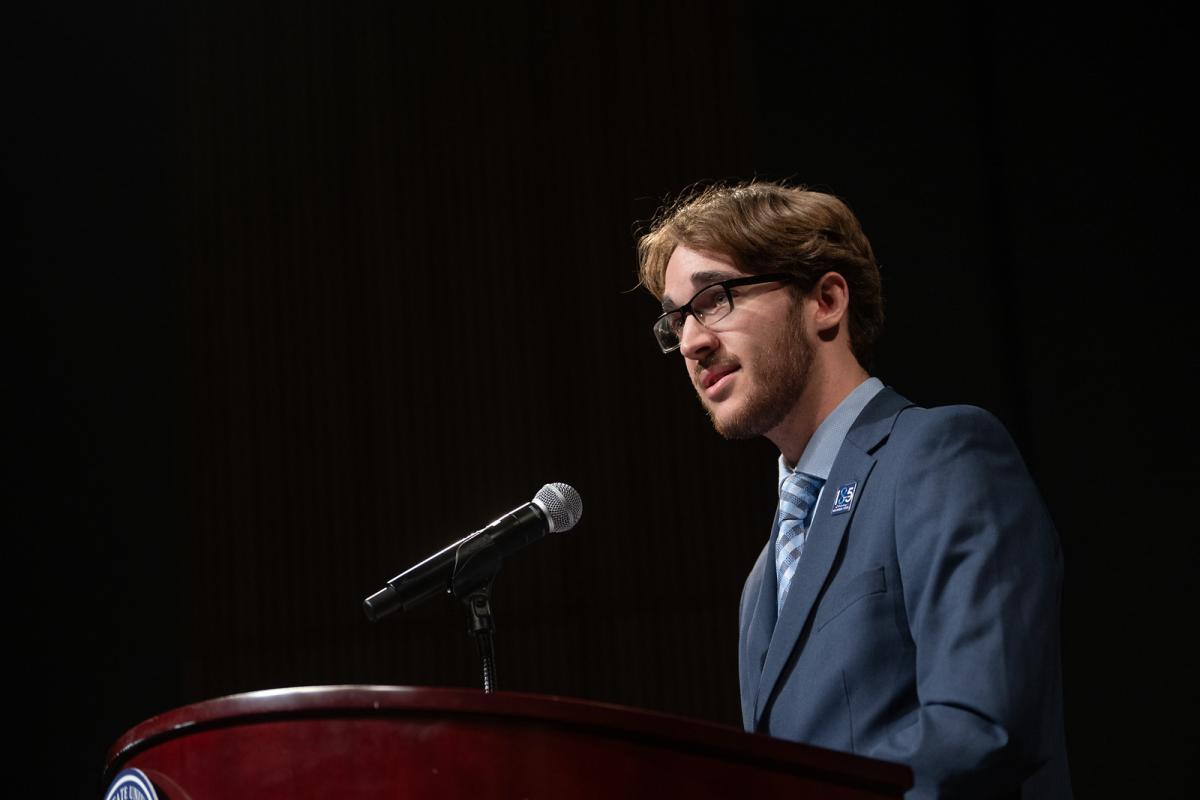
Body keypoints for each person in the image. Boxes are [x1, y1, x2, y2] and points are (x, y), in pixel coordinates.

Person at [637, 181, 1071, 799]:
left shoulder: (941, 454)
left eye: (715, 299)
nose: (691, 342)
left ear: (826, 300)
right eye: (676, 320)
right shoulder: (762, 583)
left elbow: (980, 728)